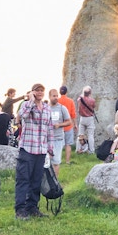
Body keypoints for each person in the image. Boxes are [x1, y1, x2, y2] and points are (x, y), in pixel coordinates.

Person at [15, 83, 54, 220]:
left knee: (36, 180)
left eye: (42, 90)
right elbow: (23, 116)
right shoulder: (26, 105)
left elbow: (49, 128)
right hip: (27, 148)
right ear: (32, 92)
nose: (40, 93)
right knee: (23, 179)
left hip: (41, 149)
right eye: (37, 90)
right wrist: (31, 100)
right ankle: (20, 209)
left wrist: (50, 147)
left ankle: (32, 207)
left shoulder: (47, 108)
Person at [48, 89, 72, 176]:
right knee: (46, 162)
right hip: (47, 139)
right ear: (49, 97)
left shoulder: (62, 108)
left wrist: (60, 125)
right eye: (53, 96)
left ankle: (55, 182)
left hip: (58, 138)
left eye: (56, 96)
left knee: (56, 161)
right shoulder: (46, 108)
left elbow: (69, 122)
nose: (55, 98)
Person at [58, 86, 77, 165]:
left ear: (59, 92)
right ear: (66, 92)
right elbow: (73, 114)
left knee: (58, 144)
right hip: (68, 126)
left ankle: (58, 160)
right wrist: (75, 124)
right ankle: (67, 161)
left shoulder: (57, 101)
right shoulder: (70, 101)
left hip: (59, 126)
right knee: (68, 144)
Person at [76, 86, 96, 154]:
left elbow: (78, 107)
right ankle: (91, 150)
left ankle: (78, 149)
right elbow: (93, 107)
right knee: (90, 135)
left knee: (80, 134)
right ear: (90, 93)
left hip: (82, 117)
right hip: (89, 118)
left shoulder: (79, 99)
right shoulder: (92, 100)